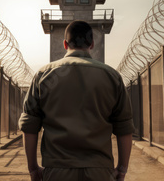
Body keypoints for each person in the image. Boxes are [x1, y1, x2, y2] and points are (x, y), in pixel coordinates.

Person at [19, 20, 135, 181]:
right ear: (92, 44)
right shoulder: (112, 76)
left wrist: (33, 169)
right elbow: (124, 128)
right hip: (100, 171)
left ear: (65, 44)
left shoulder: (44, 75)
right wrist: (122, 170)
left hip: (57, 170)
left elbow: (29, 127)